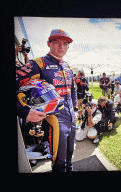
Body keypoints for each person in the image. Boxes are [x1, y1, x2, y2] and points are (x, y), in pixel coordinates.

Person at [16, 29, 77, 172]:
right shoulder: (38, 63)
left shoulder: (67, 66)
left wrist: (75, 109)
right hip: (55, 119)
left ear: (68, 46)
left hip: (72, 117)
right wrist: (24, 112)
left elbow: (72, 89)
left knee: (70, 157)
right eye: (56, 42)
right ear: (49, 43)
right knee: (59, 162)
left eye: (65, 43)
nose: (61, 46)